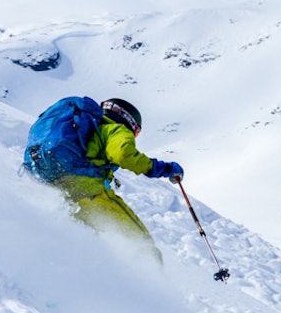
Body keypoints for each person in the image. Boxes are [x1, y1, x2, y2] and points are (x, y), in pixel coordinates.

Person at [24, 97, 184, 258]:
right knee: (140, 241)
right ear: (129, 121)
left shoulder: (86, 127)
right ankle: (153, 281)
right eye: (136, 132)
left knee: (82, 241)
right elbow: (123, 154)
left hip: (52, 187)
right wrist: (164, 168)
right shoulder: (115, 129)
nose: (133, 135)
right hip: (88, 191)